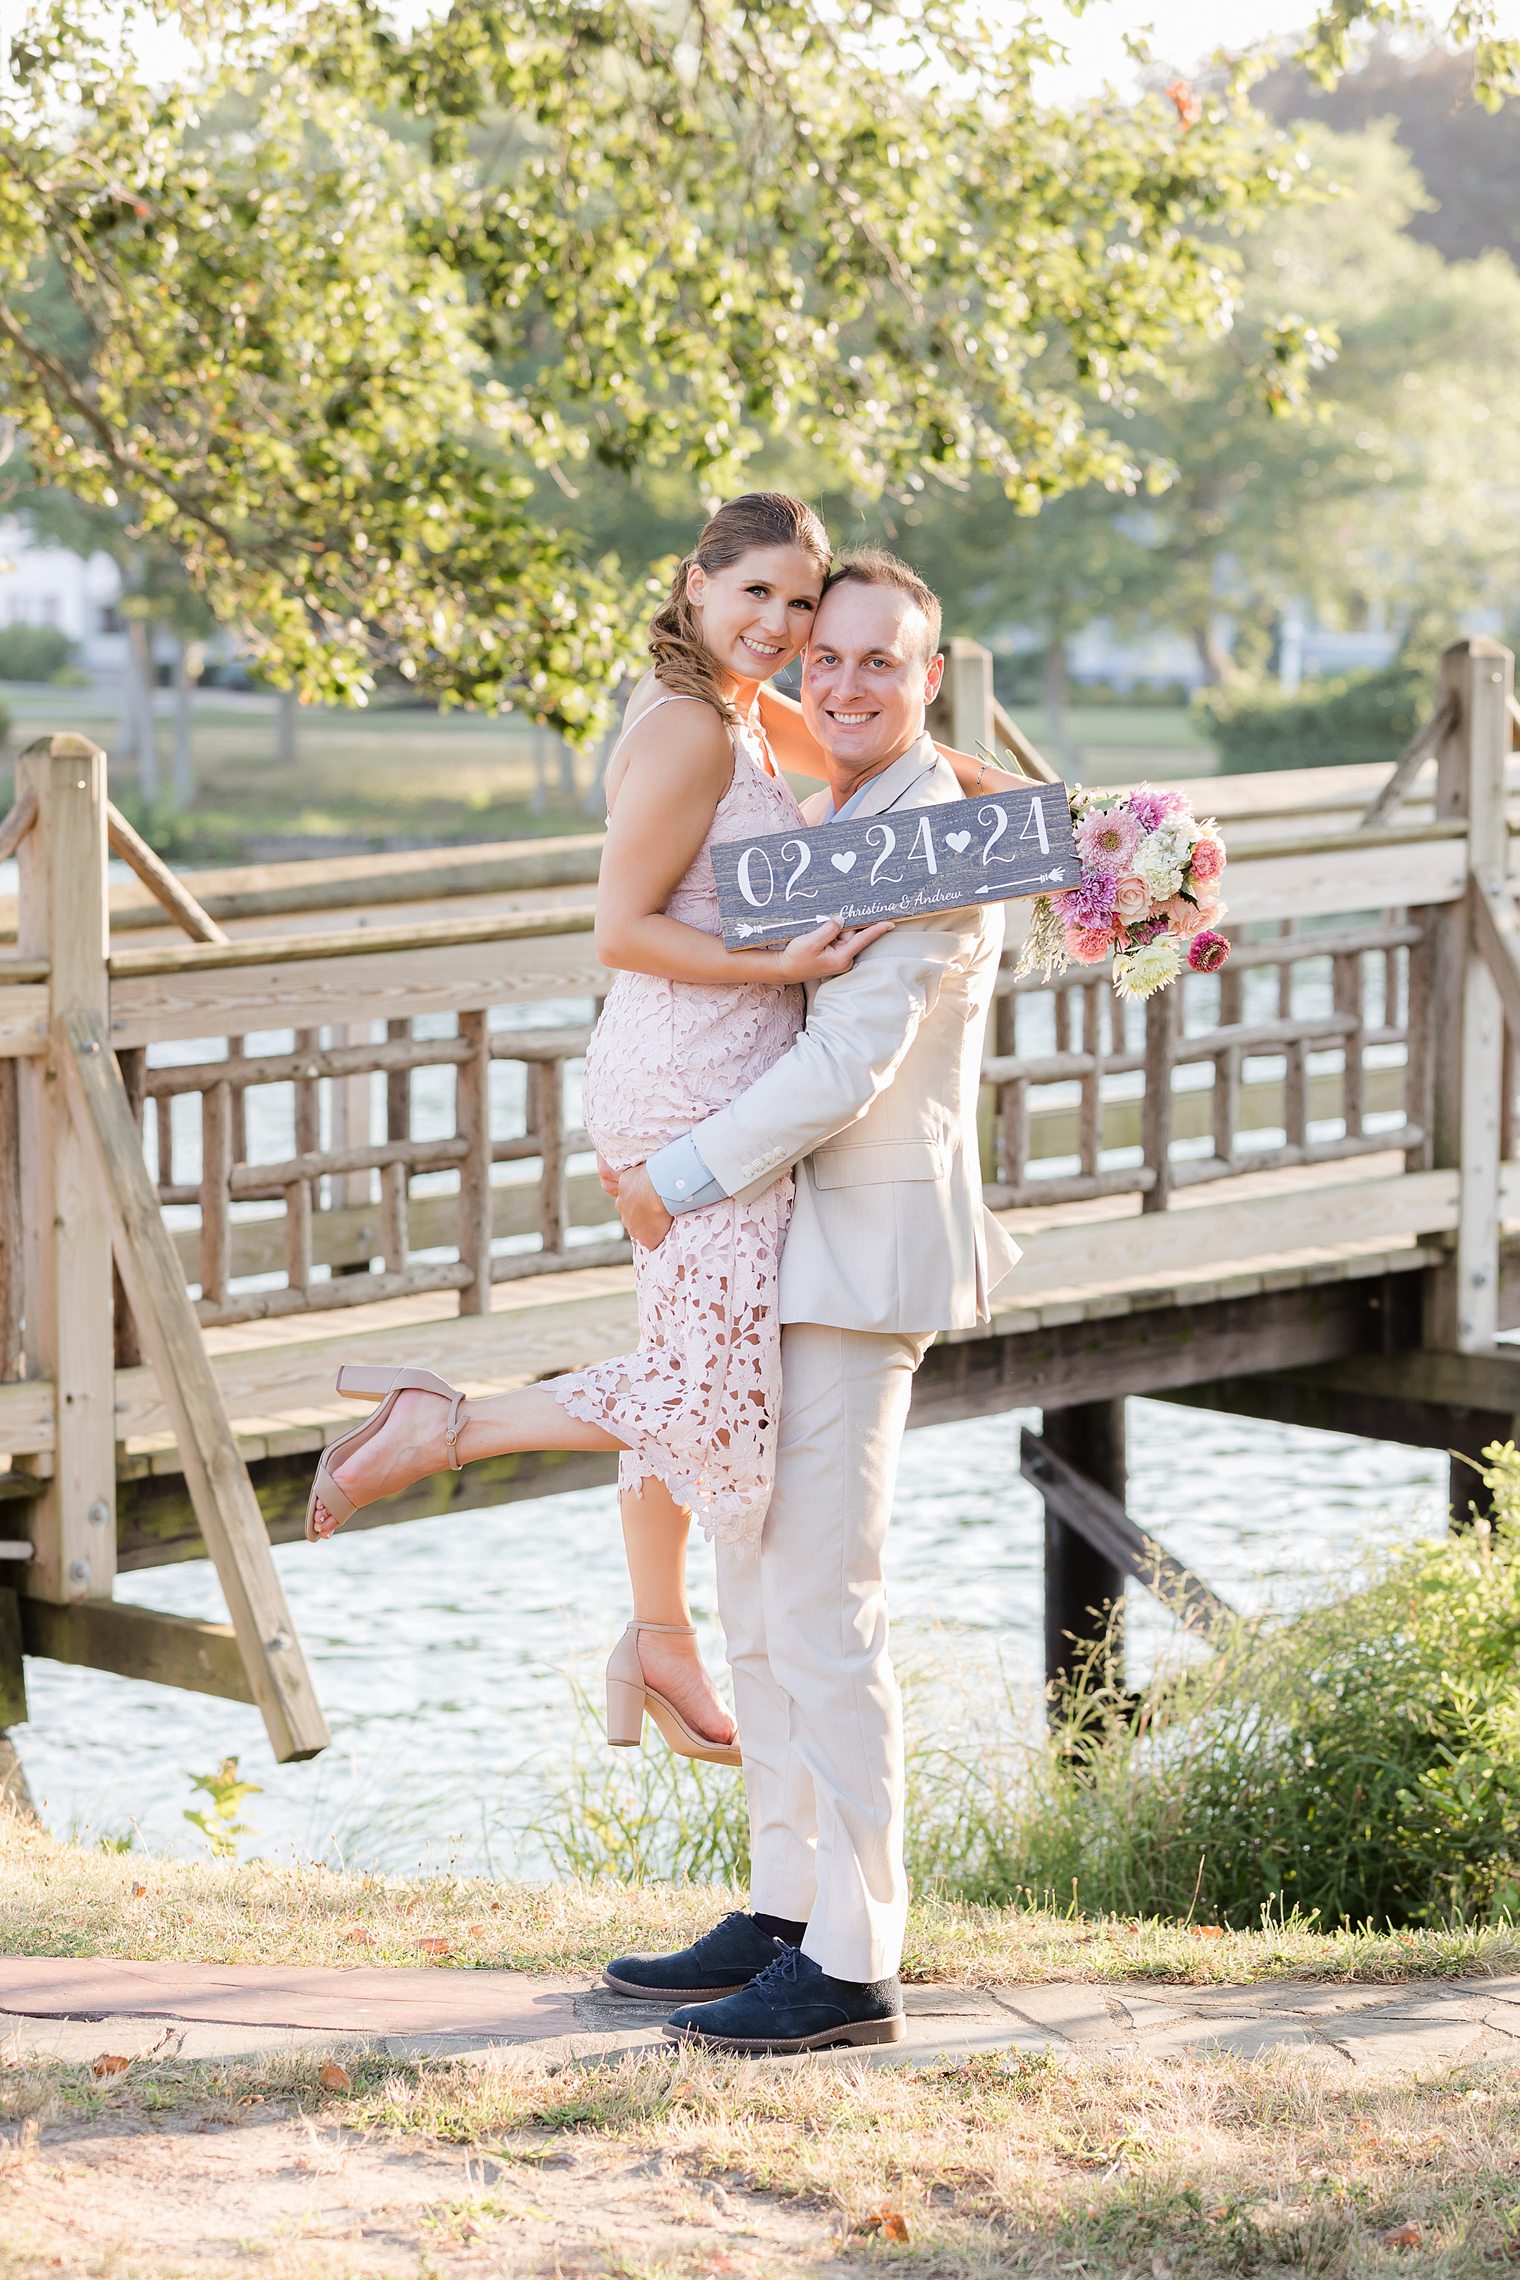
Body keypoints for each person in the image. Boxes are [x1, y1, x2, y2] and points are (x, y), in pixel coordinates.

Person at [303, 497, 1023, 1767]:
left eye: (799, 605)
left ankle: (657, 1629)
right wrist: (775, 968)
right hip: (691, 1072)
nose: (782, 625)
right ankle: (443, 1425)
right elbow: (620, 933)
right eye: (754, 595)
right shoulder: (694, 727)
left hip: (707, 1065)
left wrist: (1101, 843)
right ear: (694, 585)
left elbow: (918, 759)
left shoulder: (750, 707)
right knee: (706, 1391)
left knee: (697, 1366)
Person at [601, 550, 1021, 2052]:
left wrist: (678, 1176)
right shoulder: (841, 800)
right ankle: (785, 1905)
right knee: (755, 1598)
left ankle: (854, 1960)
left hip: (854, 1258)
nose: (841, 682)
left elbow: (851, 1065)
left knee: (825, 1610)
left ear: (931, 673)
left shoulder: (937, 845)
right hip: (775, 1252)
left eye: (879, 663)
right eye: (823, 656)